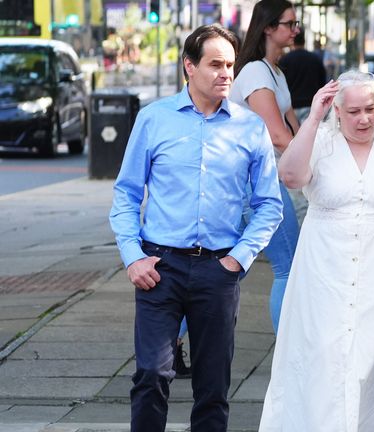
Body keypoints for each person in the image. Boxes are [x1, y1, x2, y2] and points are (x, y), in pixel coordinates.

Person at [109, 24, 283, 431]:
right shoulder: (154, 119)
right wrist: (133, 257)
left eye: (231, 65)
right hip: (159, 268)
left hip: (218, 271)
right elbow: (126, 195)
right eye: (216, 64)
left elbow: (268, 205)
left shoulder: (249, 126)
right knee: (151, 374)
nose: (226, 74)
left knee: (213, 387)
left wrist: (239, 259)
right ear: (189, 66)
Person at [258, 70, 374, 431]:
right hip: (323, 267)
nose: (364, 118)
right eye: (353, 111)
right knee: (320, 356)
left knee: (368, 363)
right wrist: (314, 118)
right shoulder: (319, 140)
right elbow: (290, 177)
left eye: (371, 108)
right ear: (336, 110)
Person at [230, 0, 301, 333]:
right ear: (269, 27)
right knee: (289, 265)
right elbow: (277, 135)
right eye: (289, 23)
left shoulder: (275, 72)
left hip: (257, 180)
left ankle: (166, 342)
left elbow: (295, 129)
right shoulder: (256, 72)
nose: (295, 29)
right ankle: (290, 352)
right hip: (255, 181)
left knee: (229, 269)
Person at [279, 28, 327, 124]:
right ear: (304, 40)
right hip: (311, 105)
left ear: (293, 40)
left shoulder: (285, 60)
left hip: (290, 107)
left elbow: (280, 85)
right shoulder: (315, 58)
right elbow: (323, 82)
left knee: (293, 138)